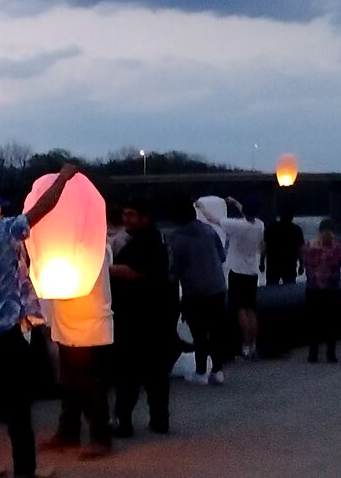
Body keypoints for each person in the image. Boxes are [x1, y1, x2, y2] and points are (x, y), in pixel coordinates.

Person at [0, 163, 79, 478]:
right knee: (18, 410)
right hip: (6, 336)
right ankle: (26, 471)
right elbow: (42, 209)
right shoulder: (1, 231)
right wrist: (63, 178)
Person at [110, 199, 179, 437]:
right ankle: (159, 419)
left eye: (131, 214)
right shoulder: (155, 239)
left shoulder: (146, 243)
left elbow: (136, 272)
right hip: (156, 318)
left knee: (129, 374)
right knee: (155, 374)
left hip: (138, 318)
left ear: (145, 217)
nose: (126, 219)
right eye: (125, 214)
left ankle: (123, 421)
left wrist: (106, 268)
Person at [38, 244, 114, 461]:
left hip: (87, 323)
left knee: (90, 383)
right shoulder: (63, 245)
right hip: (66, 322)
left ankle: (100, 437)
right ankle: (68, 432)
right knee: (70, 383)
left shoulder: (93, 247)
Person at [167, 196, 228, 385]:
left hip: (194, 292)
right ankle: (217, 370)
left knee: (199, 333)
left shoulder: (176, 237)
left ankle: (201, 371)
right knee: (217, 330)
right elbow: (222, 256)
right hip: (217, 288)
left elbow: (173, 270)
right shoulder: (209, 231)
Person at [197, 196, 264, 359]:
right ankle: (253, 345)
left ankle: (245, 346)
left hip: (237, 271)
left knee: (241, 310)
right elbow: (246, 213)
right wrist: (235, 202)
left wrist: (200, 207)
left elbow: (211, 219)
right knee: (251, 310)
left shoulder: (236, 226)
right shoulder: (259, 225)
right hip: (252, 271)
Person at [301, 219, 341, 363]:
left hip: (313, 288)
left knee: (313, 321)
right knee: (331, 321)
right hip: (332, 288)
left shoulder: (309, 245)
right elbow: (338, 264)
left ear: (319, 230)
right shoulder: (336, 246)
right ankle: (331, 354)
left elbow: (306, 263)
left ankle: (313, 354)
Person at [264, 208, 305, 285]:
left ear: (280, 216)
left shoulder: (271, 228)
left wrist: (262, 262)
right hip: (290, 264)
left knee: (271, 287)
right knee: (290, 287)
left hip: (273, 263)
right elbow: (300, 249)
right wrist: (301, 265)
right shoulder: (296, 230)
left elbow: (264, 246)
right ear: (292, 217)